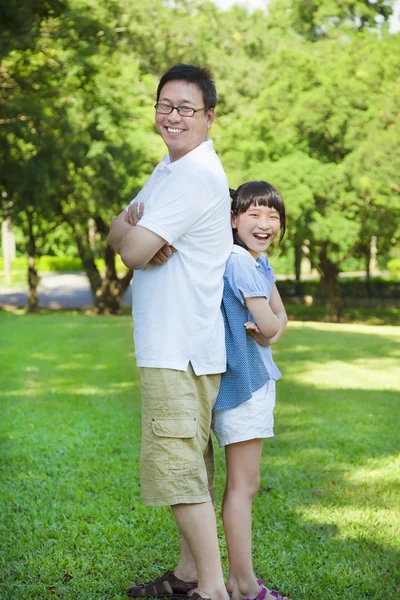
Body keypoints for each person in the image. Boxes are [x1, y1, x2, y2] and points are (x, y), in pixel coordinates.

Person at [108, 64, 232, 600]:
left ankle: (211, 589)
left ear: (209, 117)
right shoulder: (169, 167)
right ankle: (187, 578)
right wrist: (131, 233)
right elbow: (120, 230)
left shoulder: (194, 175)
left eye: (186, 108)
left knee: (178, 473)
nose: (173, 115)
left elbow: (130, 247)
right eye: (165, 105)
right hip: (185, 345)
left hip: (177, 346)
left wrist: (133, 234)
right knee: (192, 468)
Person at [211, 182, 291, 600]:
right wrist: (271, 329)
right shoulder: (240, 262)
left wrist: (271, 331)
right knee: (242, 485)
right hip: (243, 384)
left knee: (246, 483)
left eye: (273, 216)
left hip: (256, 379)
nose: (265, 224)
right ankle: (242, 585)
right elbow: (271, 320)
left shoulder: (257, 261)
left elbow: (280, 319)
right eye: (255, 214)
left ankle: (241, 581)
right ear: (234, 219)